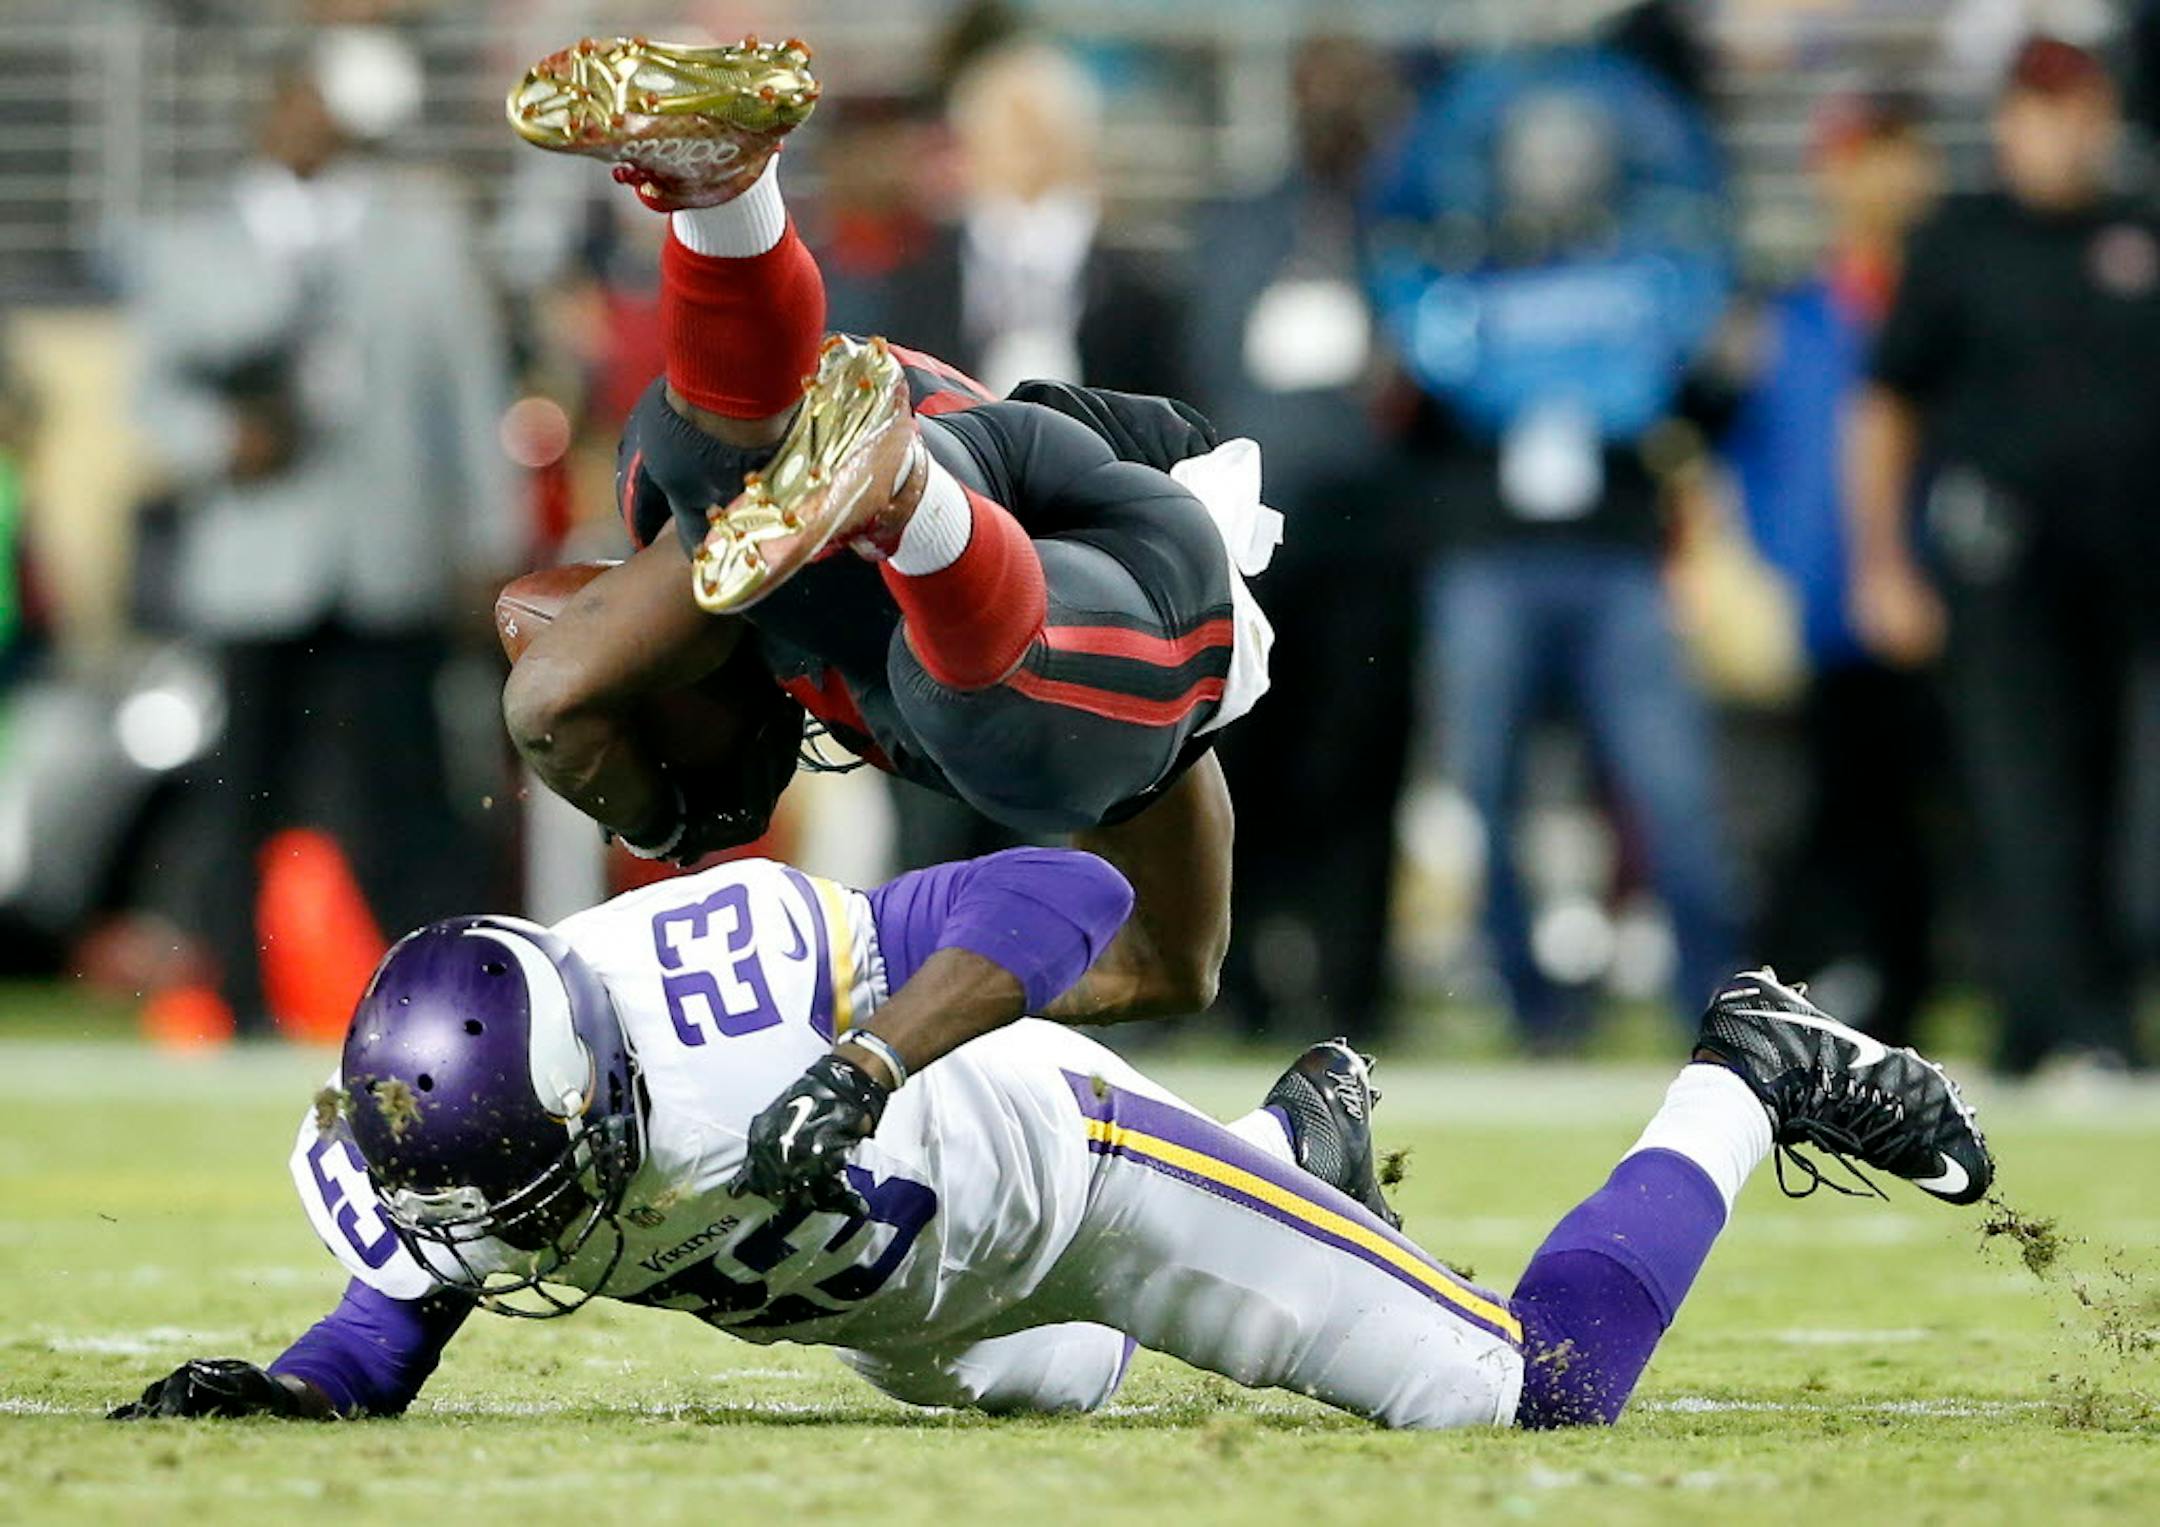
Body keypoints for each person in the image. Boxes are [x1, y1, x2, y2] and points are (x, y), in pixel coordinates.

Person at [109, 842, 1991, 1428]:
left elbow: (1070, 889)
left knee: (1537, 1398)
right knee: (1067, 1385)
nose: (516, 1238)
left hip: (1071, 1168)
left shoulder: (718, 984)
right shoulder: (462, 1126)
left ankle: (1747, 1069)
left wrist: (860, 1064)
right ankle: (1294, 1154)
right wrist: (304, 1398)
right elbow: (401, 1305)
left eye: (543, 1190)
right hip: (936, 1315)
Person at [496, 37, 1279, 1023]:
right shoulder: (716, 540)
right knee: (703, 452)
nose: (726, 829)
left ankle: (904, 490)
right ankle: (724, 192)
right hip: (940, 438)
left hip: (1109, 532)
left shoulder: (718, 582)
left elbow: (1168, 966)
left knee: (988, 727)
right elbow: (549, 703)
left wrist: (872, 1043)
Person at [128, 47, 518, 1031]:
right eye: (293, 101)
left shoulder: (419, 233)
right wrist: (225, 442)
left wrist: (493, 536)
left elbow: (471, 396)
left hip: (387, 562)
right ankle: (239, 1004)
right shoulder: (198, 240)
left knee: (415, 805)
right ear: (269, 110)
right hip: (256, 567)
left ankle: (455, 1008)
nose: (309, 122)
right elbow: (151, 395)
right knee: (239, 801)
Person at [1366, 46, 1739, 1047]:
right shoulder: (1459, 275)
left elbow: (1699, 363)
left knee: (1674, 792)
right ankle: (1537, 1010)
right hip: (1489, 557)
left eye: (1575, 152)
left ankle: (1718, 1003)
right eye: (1540, 152)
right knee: (1481, 793)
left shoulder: (1646, 274)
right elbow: (1416, 370)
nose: (1556, 169)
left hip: (1619, 559)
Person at [1848, 37, 2160, 1073]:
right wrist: (1881, 561)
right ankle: (2059, 1021)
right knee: (2022, 796)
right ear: (2006, 120)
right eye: (2040, 110)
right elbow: (1886, 410)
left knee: (2118, 798)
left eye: (2077, 109)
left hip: (2126, 563)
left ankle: (2084, 1015)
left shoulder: (2136, 233)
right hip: (2000, 562)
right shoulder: (1959, 240)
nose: (2061, 133)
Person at [1187, 37, 1413, 1042]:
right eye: (1315, 85)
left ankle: (1353, 991)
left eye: (1348, 88)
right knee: (1247, 764)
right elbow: (1204, 364)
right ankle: (1240, 985)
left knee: (1359, 768)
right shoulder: (1238, 220)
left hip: (1374, 539)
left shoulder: (1405, 223)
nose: (1332, 106)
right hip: (1254, 545)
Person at [1723, 94, 1947, 1047]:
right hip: (1819, 610)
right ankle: (1819, 1002)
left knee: (1928, 818)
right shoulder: (1795, 316)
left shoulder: (1942, 301)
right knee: (1822, 817)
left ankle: (1908, 995)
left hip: (1939, 600)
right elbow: (1751, 461)